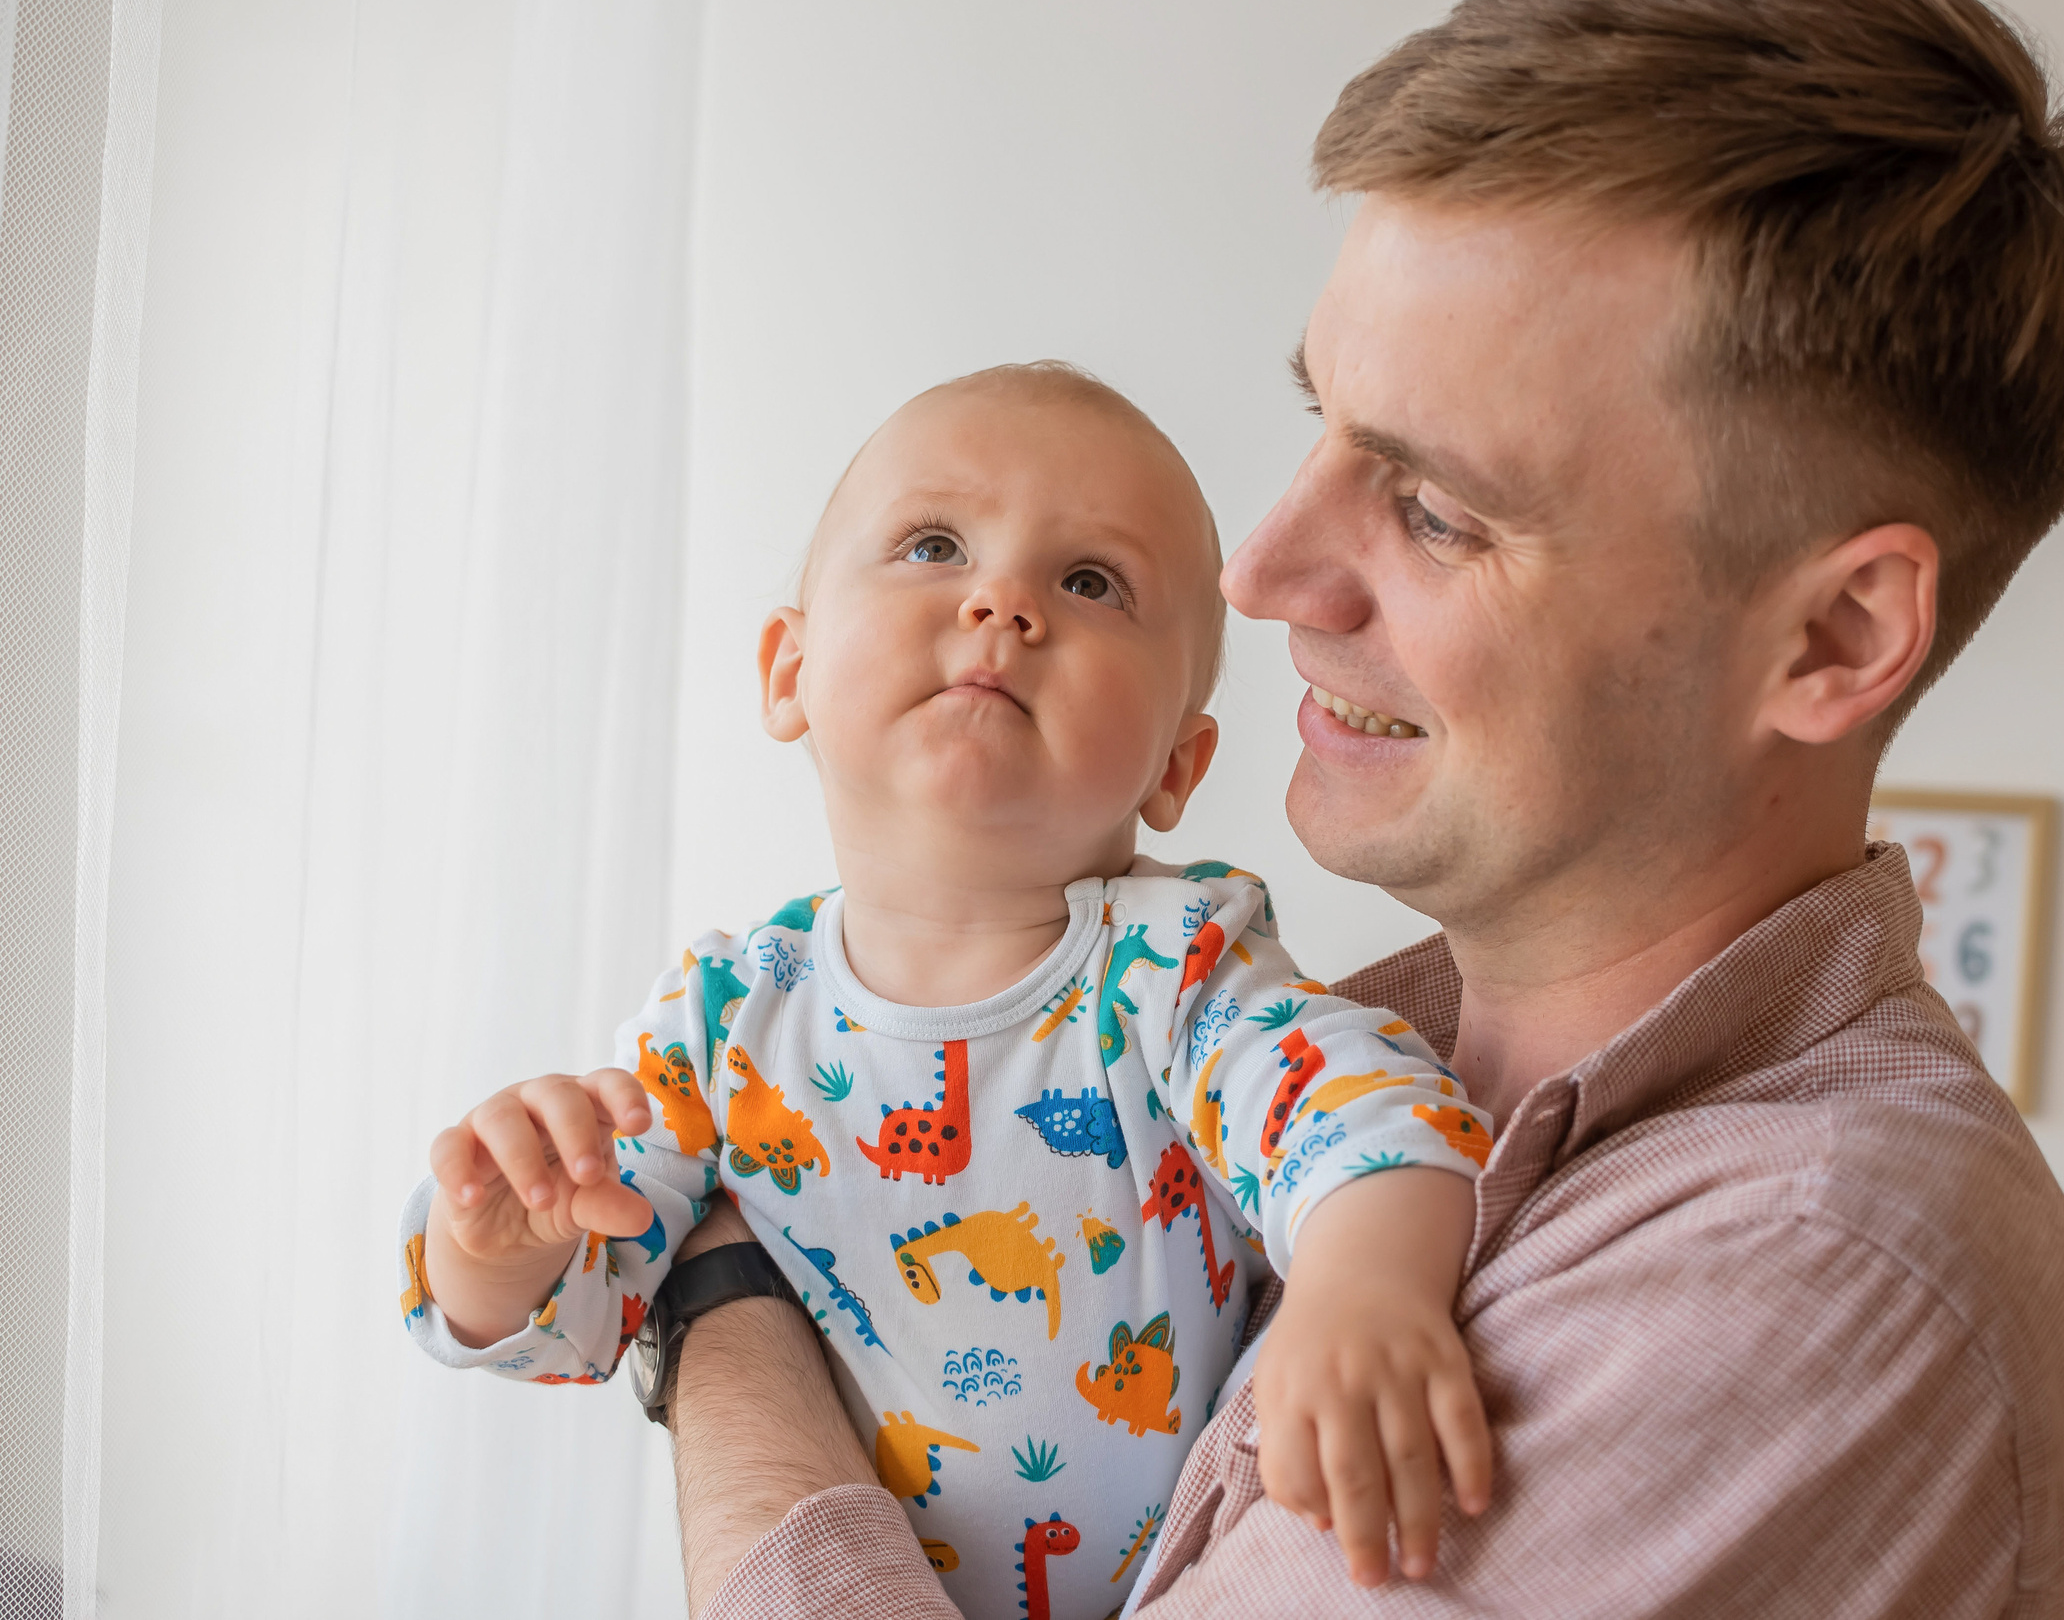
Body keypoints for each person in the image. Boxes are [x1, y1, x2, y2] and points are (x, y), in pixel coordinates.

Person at [660, 0, 2064, 1619]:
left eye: (1438, 509)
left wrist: (727, 1306)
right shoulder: (1308, 1058)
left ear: (1830, 633)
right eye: (1323, 425)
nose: (1263, 572)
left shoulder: (1811, 1274)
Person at [397, 363, 1502, 1620]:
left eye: (1090, 581)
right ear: (787, 671)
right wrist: (496, 1238)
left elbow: (1371, 1116)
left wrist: (1368, 1286)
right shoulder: (716, 1026)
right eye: (933, 544)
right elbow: (590, 1314)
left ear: (1175, 765)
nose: (1003, 601)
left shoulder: (1183, 965)